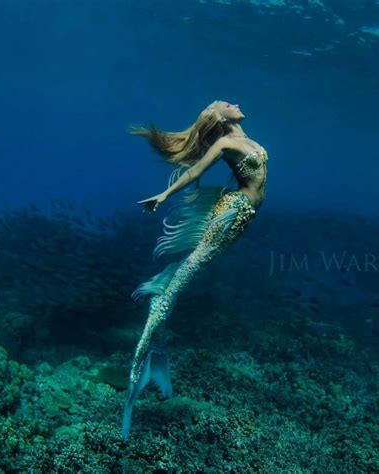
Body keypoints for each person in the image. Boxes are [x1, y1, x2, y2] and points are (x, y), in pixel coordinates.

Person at [122, 100, 268, 439]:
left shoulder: (243, 138)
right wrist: (162, 195)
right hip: (232, 213)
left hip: (240, 212)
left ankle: (154, 348)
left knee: (187, 273)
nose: (233, 103)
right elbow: (194, 172)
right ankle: (137, 368)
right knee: (183, 276)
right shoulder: (225, 143)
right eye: (225, 103)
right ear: (218, 116)